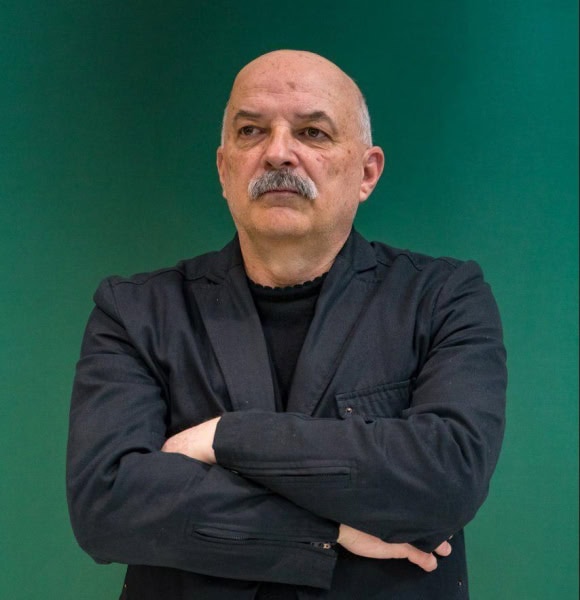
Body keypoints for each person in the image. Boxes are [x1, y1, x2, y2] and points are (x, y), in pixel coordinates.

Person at [67, 50, 507, 599]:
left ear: (367, 172)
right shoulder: (136, 311)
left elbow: (447, 477)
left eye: (312, 133)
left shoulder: (443, 297)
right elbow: (107, 505)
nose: (278, 152)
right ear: (224, 168)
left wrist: (225, 436)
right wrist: (325, 533)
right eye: (251, 131)